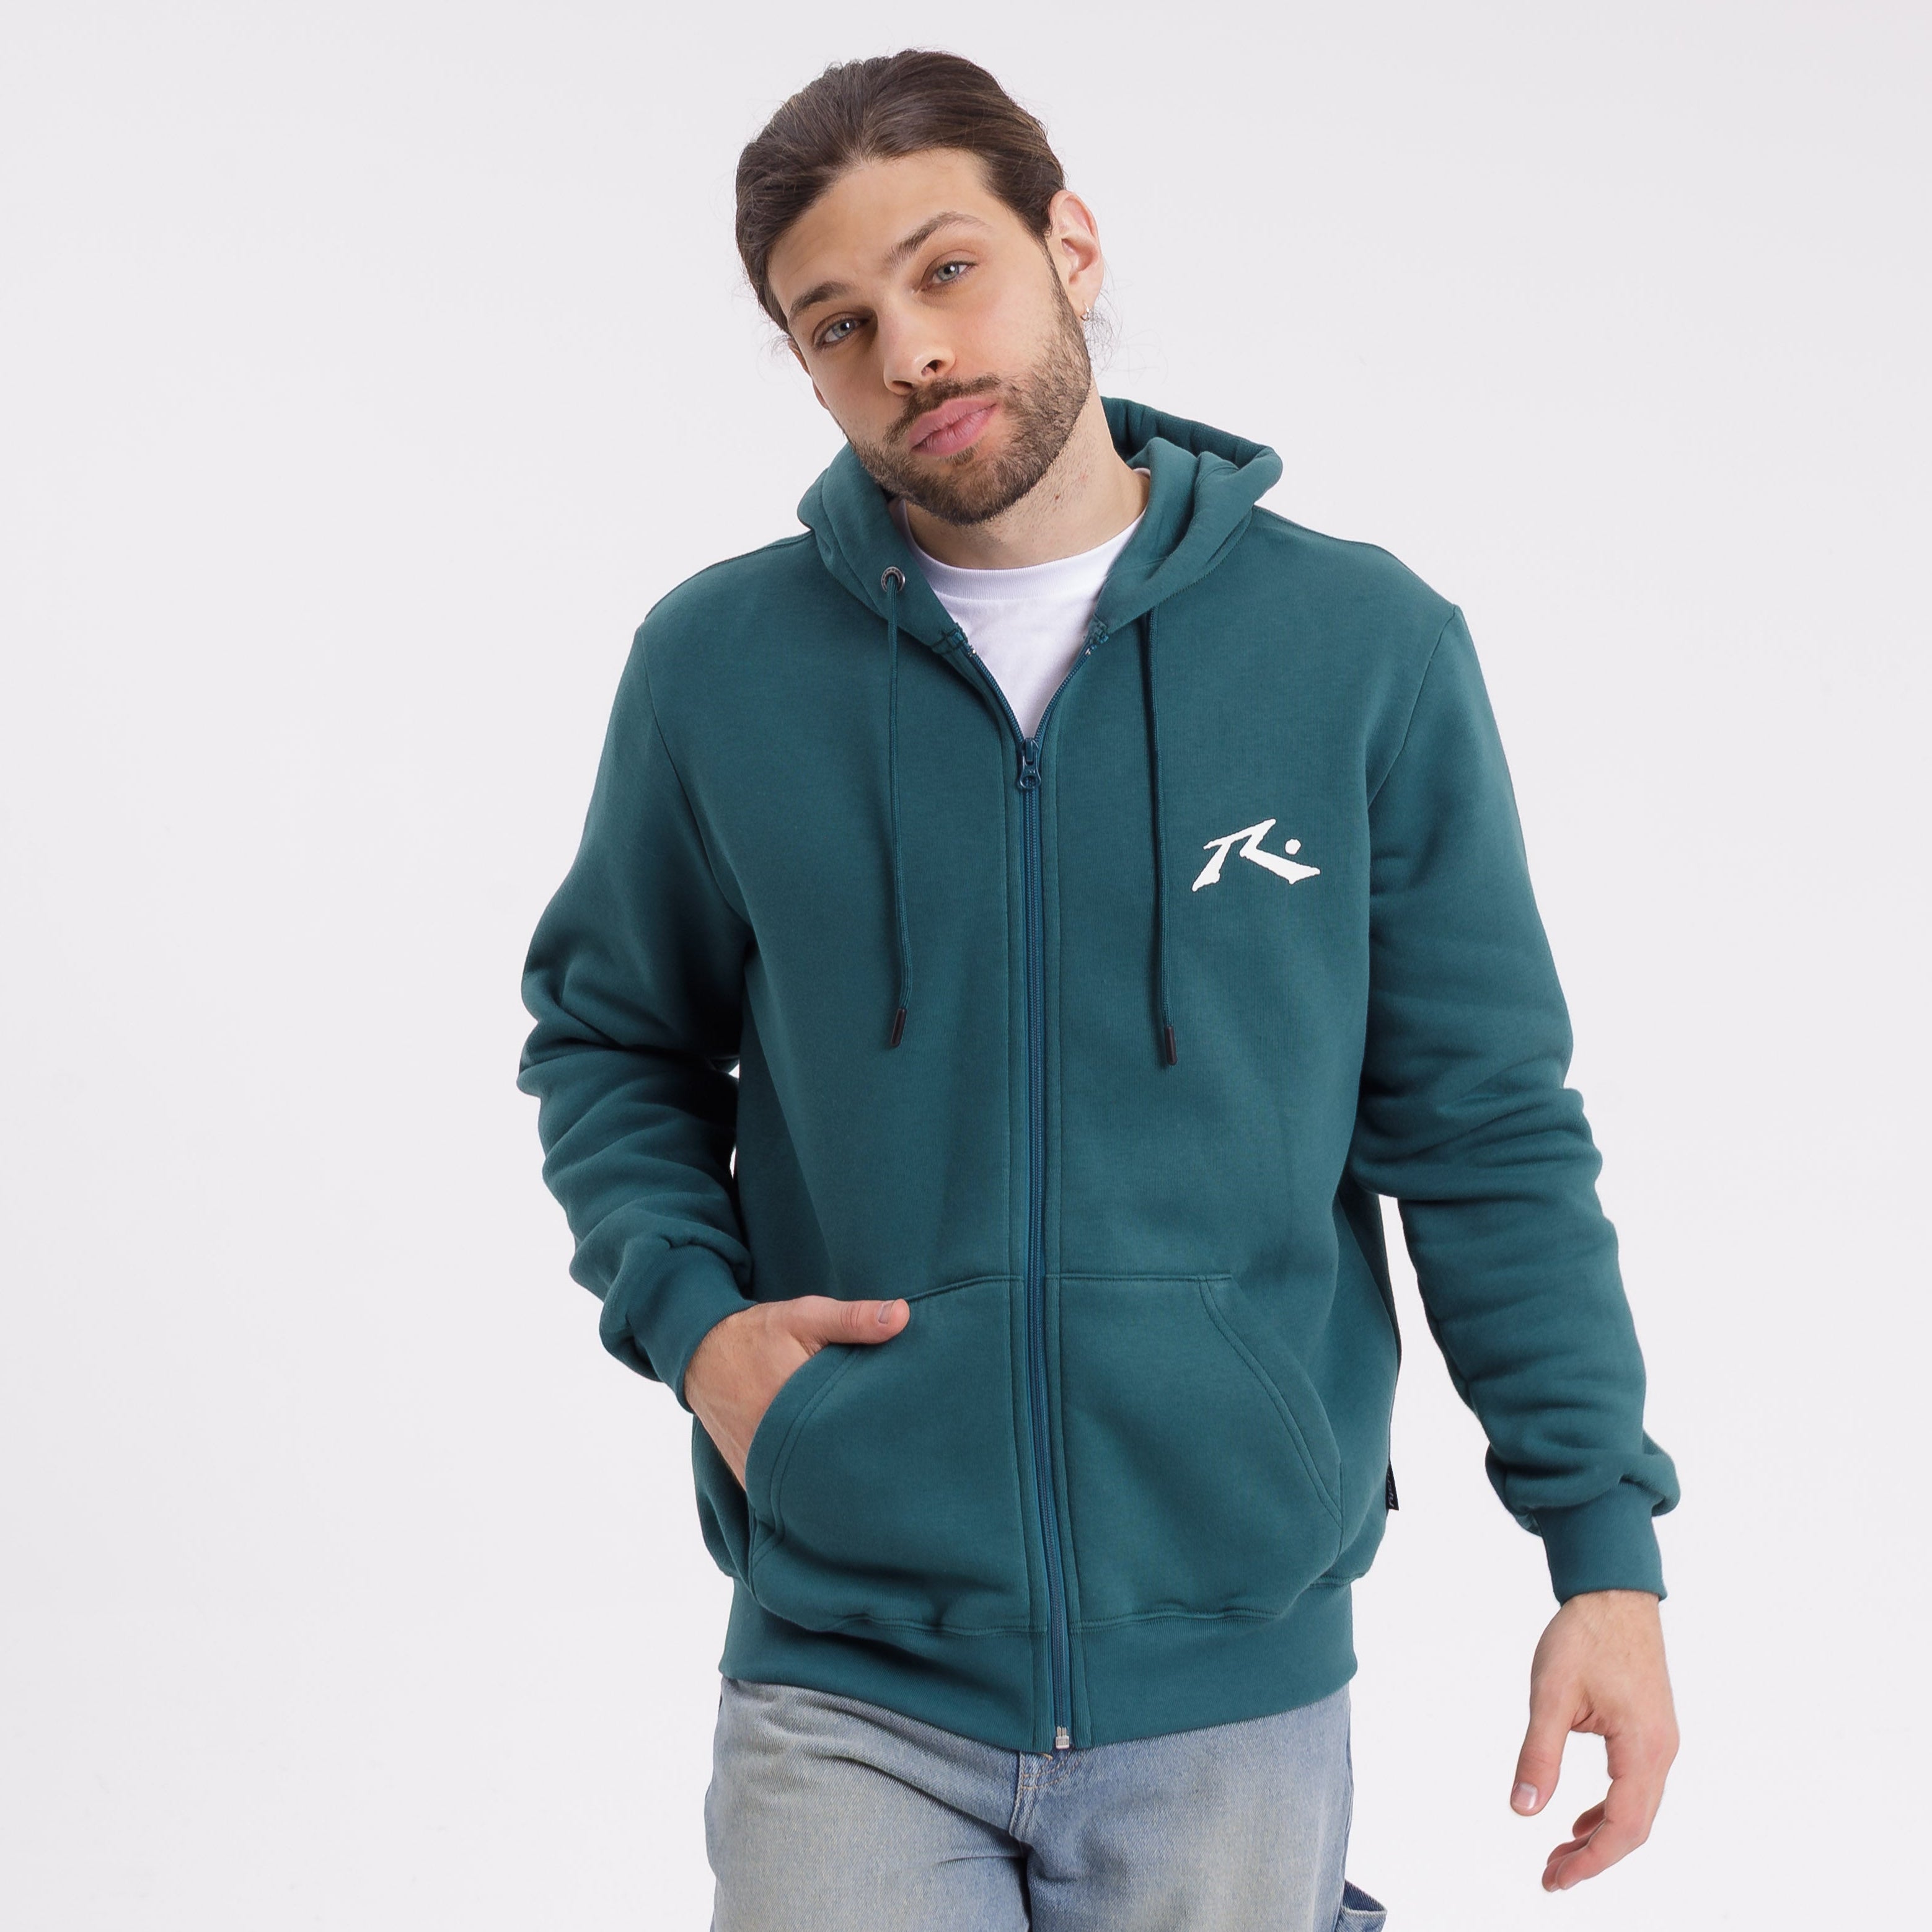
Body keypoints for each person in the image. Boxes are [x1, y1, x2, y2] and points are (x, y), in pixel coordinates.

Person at [516, 47, 1681, 1932]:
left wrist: (1601, 1551)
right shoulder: (719, 668)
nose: (910, 349)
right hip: (847, 1660)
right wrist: (700, 1333)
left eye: (947, 269)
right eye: (838, 323)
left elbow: (1482, 1131)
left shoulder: (1357, 652)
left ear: (1068, 244)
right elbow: (611, 1043)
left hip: (1231, 1668)